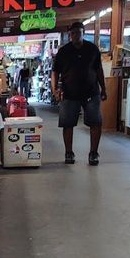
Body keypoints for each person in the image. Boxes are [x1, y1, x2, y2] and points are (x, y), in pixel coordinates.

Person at [52, 21, 107, 165]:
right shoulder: (63, 52)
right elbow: (55, 72)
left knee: (96, 122)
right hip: (69, 93)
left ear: (83, 32)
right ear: (70, 34)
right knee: (67, 124)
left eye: (78, 32)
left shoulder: (92, 49)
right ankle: (68, 153)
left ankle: (93, 153)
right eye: (73, 33)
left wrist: (104, 89)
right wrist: (55, 90)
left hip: (91, 92)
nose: (76, 35)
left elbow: (99, 70)